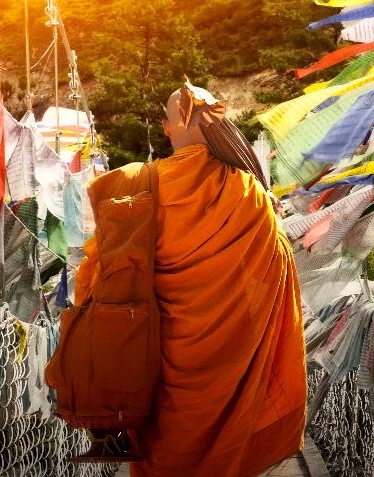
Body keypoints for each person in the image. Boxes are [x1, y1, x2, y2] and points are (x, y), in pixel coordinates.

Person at [72, 81, 307, 476]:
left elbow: (96, 283)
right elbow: (274, 280)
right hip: (229, 367)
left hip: (154, 364)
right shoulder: (248, 193)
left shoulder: (131, 188)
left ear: (167, 127)